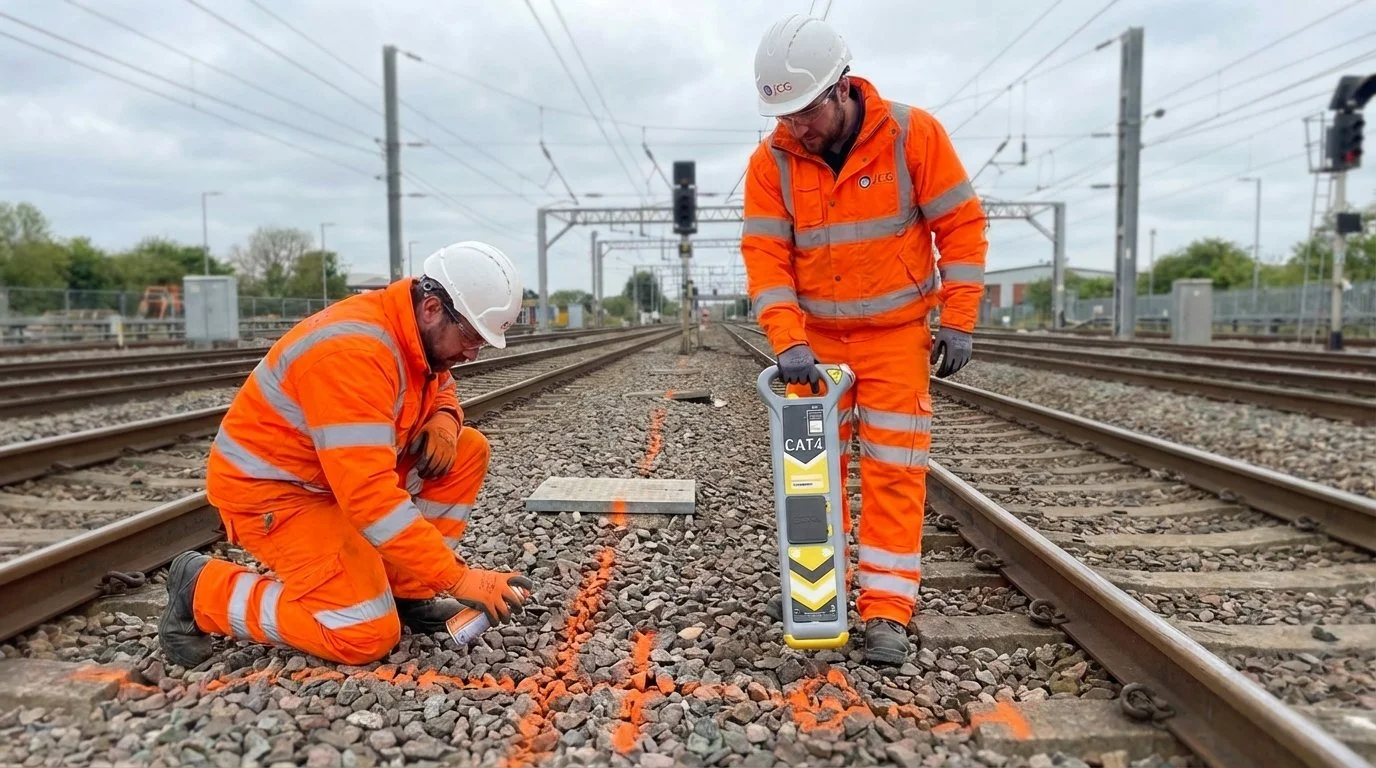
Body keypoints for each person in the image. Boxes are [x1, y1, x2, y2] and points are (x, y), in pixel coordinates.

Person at [158, 242, 535, 668]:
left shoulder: (412, 335)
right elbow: (370, 499)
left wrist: (446, 419)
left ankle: (405, 593)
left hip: (328, 480)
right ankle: (201, 589)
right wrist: (458, 578)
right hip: (277, 494)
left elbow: (437, 383)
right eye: (470, 337)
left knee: (466, 450)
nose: (471, 353)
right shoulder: (354, 353)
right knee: (365, 634)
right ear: (432, 307)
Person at [744, 15, 988, 665]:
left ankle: (885, 609)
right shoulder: (771, 162)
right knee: (811, 476)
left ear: (841, 88)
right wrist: (787, 338)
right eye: (784, 116)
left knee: (894, 474)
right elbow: (766, 257)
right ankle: (814, 592)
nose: (795, 128)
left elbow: (960, 228)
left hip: (895, 340)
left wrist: (959, 317)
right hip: (815, 346)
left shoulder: (913, 135)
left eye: (804, 113)